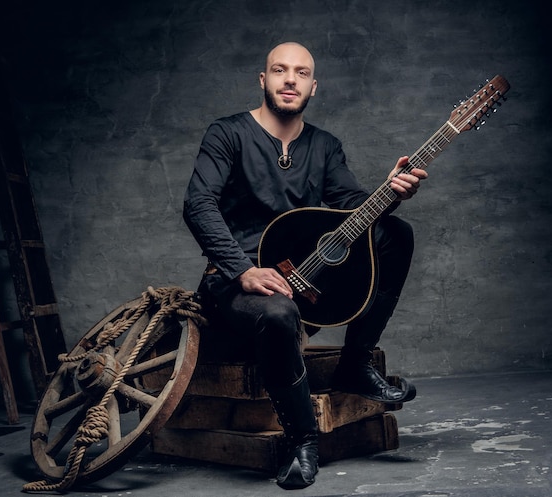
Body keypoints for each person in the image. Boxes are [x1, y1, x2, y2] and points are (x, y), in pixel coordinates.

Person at [183, 41, 428, 490]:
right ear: (264, 79)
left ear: (314, 86)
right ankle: (302, 441)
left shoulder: (325, 146)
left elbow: (353, 208)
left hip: (301, 281)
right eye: (279, 70)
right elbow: (198, 206)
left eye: (300, 72)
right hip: (233, 287)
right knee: (278, 310)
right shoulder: (227, 134)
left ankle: (355, 364)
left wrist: (391, 193)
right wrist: (242, 270)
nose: (290, 79)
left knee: (395, 234)